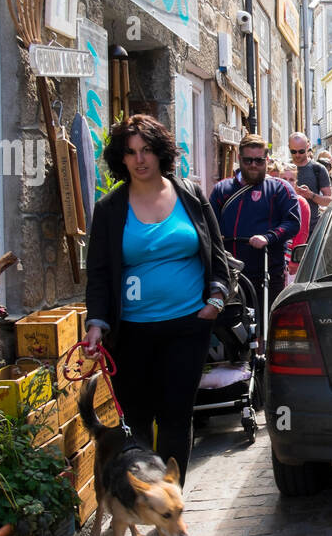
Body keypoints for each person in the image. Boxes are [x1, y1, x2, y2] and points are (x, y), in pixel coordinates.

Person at [83, 114, 238, 486]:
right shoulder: (110, 209)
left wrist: (215, 299)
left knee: (175, 416)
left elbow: (217, 255)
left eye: (147, 150)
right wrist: (96, 323)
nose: (140, 159)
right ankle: (142, 495)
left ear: (161, 153)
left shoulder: (190, 195)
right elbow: (100, 273)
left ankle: (170, 497)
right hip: (131, 331)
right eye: (131, 152)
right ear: (121, 158)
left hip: (188, 326)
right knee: (136, 418)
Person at [209, 134, 302, 323]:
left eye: (259, 160)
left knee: (268, 325)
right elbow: (209, 227)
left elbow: (293, 222)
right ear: (239, 159)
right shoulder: (222, 190)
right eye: (248, 160)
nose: (253, 165)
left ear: (266, 160)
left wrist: (268, 237)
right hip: (230, 273)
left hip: (267, 272)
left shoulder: (279, 188)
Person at [288, 131, 332, 237]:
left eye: (301, 151)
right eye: (293, 151)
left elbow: (329, 200)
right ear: (289, 147)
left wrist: (310, 195)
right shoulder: (285, 169)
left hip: (311, 230)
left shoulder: (318, 169)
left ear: (308, 146)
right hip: (288, 230)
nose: (297, 155)